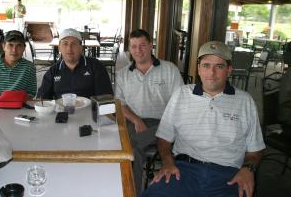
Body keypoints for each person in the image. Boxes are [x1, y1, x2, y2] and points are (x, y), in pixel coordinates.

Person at [141, 41, 265, 197]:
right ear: (198, 69)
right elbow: (164, 139)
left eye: (219, 66)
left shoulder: (245, 101)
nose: (211, 73)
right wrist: (167, 161)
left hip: (228, 176)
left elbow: (255, 151)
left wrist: (248, 169)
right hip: (183, 171)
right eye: (206, 65)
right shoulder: (181, 94)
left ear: (229, 70)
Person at [115, 29, 183, 196]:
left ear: (151, 45)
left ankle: (131, 192)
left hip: (163, 123)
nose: (138, 51)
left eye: (143, 45)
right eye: (134, 46)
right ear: (129, 49)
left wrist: (167, 123)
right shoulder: (123, 75)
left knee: (131, 146)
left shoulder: (169, 69)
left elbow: (181, 102)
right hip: (133, 121)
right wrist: (136, 120)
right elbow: (120, 104)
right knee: (119, 144)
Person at [37, 28, 113, 99]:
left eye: (74, 44)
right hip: (61, 112)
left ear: (81, 47)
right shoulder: (53, 71)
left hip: (89, 112)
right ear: (59, 47)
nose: (69, 48)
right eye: (65, 44)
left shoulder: (96, 66)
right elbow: (42, 99)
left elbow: (105, 98)